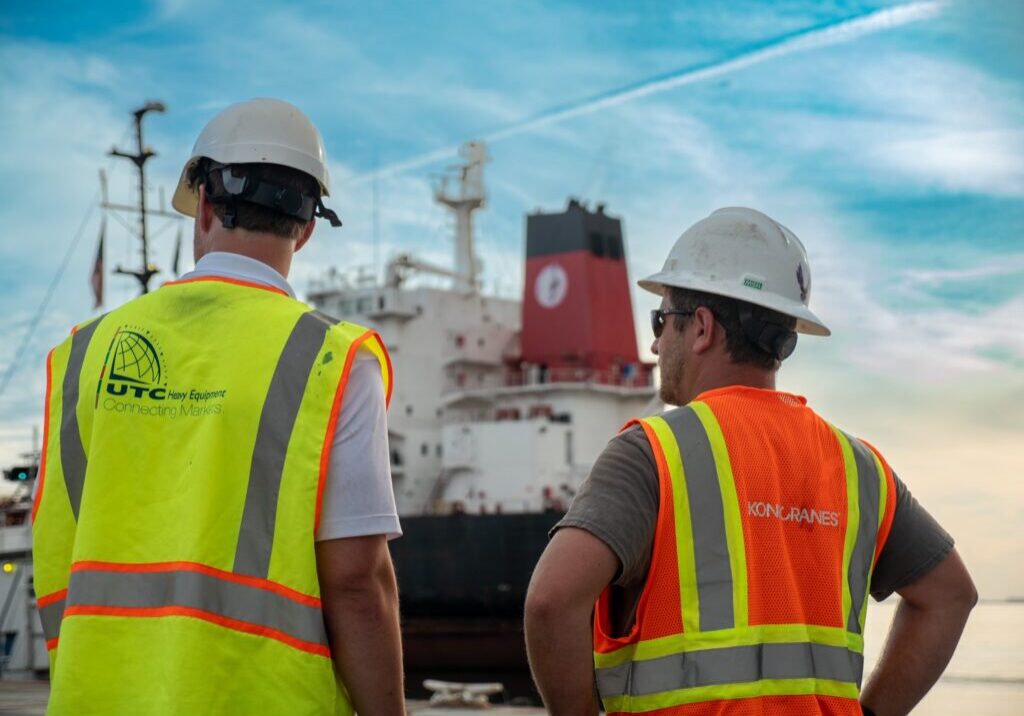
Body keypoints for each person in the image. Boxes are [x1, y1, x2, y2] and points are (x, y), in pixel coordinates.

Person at [525, 207, 977, 716]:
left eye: (661, 320)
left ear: (701, 327)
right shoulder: (860, 469)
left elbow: (550, 602)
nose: (654, 343)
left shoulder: (651, 453)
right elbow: (950, 596)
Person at [33, 99, 405, 715]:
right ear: (307, 227)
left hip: (95, 699)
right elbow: (356, 582)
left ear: (203, 203)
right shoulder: (330, 359)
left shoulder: (79, 356)